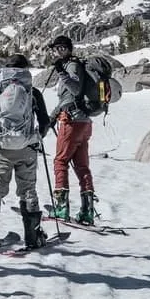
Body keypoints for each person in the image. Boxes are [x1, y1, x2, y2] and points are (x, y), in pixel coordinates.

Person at [0, 53, 52, 249]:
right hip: (26, 148)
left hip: (1, 147)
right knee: (28, 190)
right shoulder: (32, 91)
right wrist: (35, 140)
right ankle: (33, 236)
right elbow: (45, 121)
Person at [46, 34, 95, 225]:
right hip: (84, 123)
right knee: (82, 166)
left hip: (71, 121)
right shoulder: (73, 65)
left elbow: (74, 90)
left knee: (60, 161)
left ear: (66, 48)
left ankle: (61, 208)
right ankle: (87, 210)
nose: (55, 52)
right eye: (54, 49)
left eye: (58, 48)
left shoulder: (72, 66)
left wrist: (61, 73)